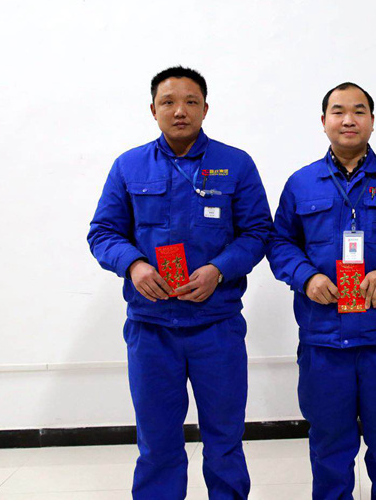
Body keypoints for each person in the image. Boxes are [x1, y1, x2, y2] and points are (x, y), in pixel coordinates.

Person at [88, 66, 272, 500]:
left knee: (224, 439)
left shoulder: (236, 164)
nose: (180, 111)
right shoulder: (129, 165)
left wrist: (218, 270)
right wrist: (134, 265)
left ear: (206, 109)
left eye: (191, 101)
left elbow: (259, 232)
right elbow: (103, 232)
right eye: (168, 102)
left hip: (217, 325)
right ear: (153, 110)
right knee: (157, 442)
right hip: (151, 328)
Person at [267, 82, 376, 499]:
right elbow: (279, 242)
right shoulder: (301, 183)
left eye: (359, 111)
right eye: (339, 111)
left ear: (372, 120)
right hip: (324, 342)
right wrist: (306, 277)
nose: (349, 119)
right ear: (324, 121)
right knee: (329, 446)